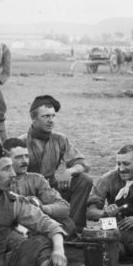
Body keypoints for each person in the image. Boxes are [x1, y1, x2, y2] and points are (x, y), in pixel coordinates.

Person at [18, 95, 95, 234]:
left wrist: (68, 172)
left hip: (53, 189)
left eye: (53, 116)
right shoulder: (21, 142)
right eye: (46, 116)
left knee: (83, 180)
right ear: (33, 117)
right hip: (30, 192)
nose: (51, 120)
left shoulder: (60, 139)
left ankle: (75, 229)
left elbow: (81, 163)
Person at [4, 137, 76, 235]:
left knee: (68, 223)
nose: (25, 161)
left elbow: (64, 207)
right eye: (18, 157)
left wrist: (42, 208)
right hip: (11, 225)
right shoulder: (0, 181)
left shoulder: (37, 179)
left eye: (26, 156)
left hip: (38, 222)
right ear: (6, 160)